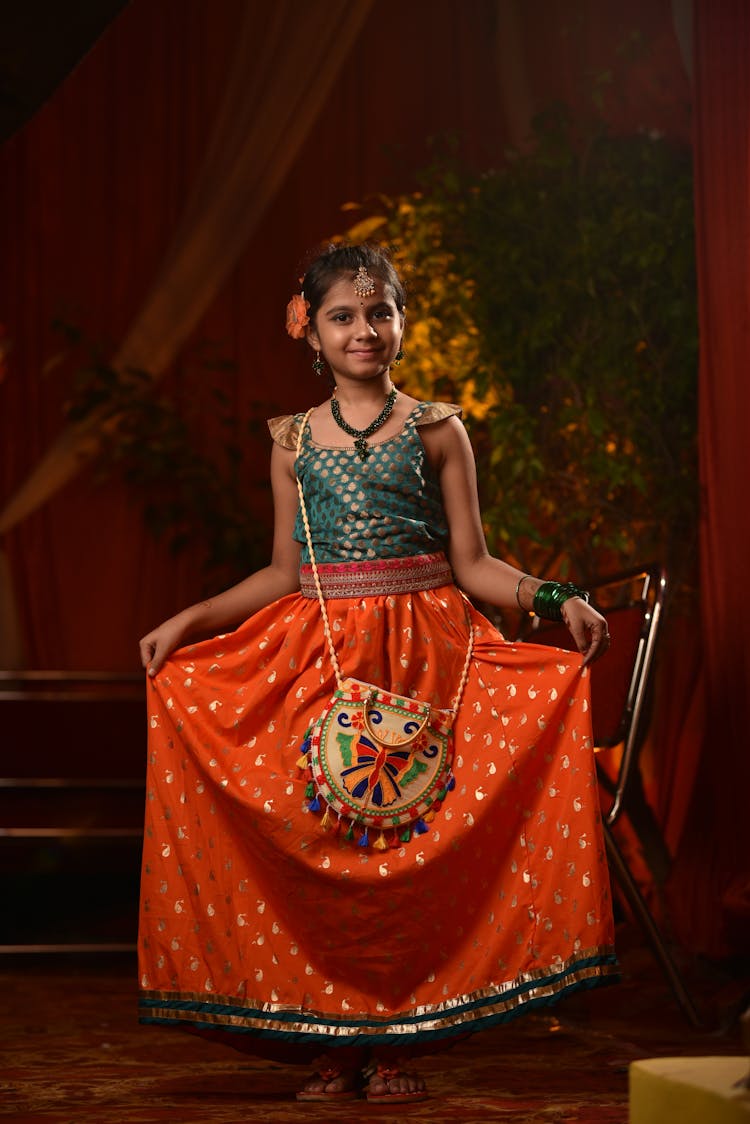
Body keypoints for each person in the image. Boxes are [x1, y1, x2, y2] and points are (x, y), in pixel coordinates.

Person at [138, 243, 616, 1105]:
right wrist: (189, 620)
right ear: (310, 332)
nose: (366, 329)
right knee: (318, 839)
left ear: (402, 321)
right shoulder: (292, 442)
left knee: (409, 853)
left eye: (380, 312)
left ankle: (398, 1035)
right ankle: (329, 1034)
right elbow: (281, 573)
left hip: (429, 651)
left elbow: (472, 562)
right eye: (344, 316)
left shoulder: (438, 428)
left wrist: (556, 594)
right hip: (316, 651)